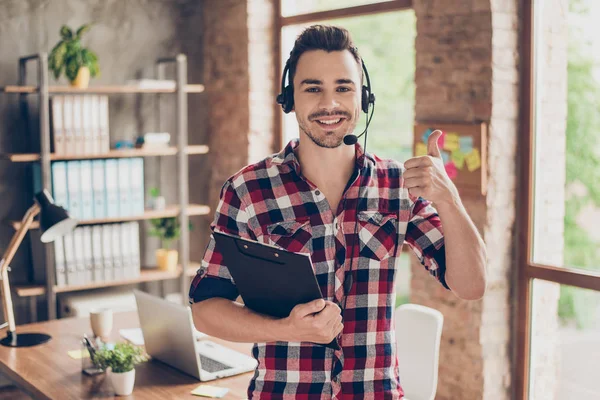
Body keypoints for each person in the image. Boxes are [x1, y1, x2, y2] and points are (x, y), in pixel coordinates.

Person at [189, 25, 487, 399]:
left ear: (363, 98)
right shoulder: (247, 190)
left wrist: (450, 200)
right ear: (290, 98)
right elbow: (205, 309)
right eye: (313, 88)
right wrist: (288, 329)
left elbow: (471, 284)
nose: (330, 103)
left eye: (343, 88)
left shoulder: (397, 186)